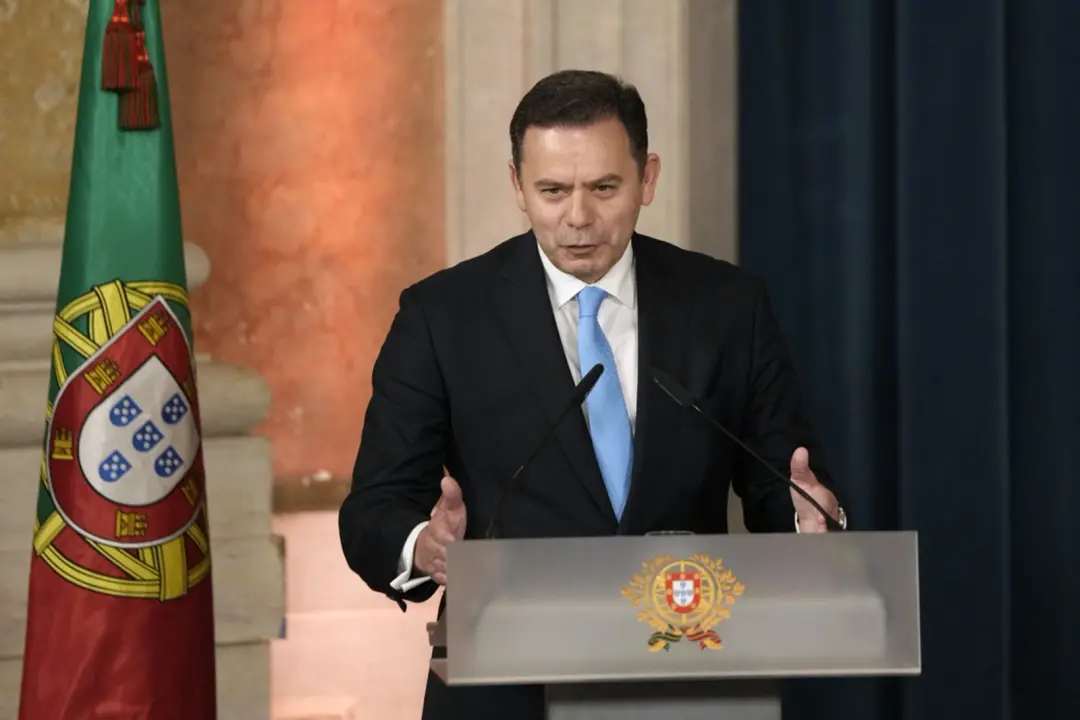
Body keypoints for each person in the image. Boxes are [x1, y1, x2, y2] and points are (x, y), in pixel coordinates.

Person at [339, 69, 845, 720]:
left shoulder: (727, 306)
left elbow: (785, 481)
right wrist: (424, 546)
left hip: (686, 668)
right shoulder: (442, 317)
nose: (578, 217)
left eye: (604, 188)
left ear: (647, 179)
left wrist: (807, 521)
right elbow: (374, 506)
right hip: (505, 684)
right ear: (517, 186)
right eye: (553, 190)